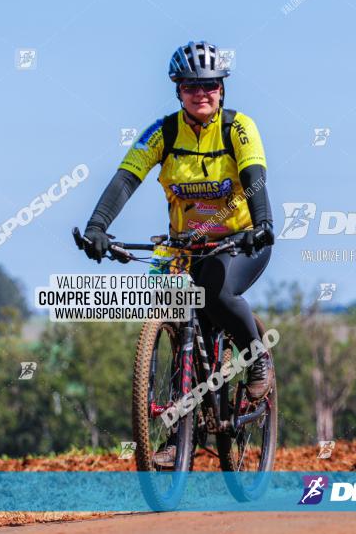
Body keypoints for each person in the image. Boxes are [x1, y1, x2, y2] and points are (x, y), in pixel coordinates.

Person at [81, 41, 275, 463]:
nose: (201, 93)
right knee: (178, 327)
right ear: (178, 91)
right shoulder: (163, 132)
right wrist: (98, 226)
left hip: (239, 242)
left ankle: (257, 361)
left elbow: (255, 177)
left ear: (222, 89)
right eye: (191, 86)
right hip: (184, 248)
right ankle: (176, 439)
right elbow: (125, 180)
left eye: (209, 85)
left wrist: (262, 224)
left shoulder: (238, 128)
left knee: (219, 297)